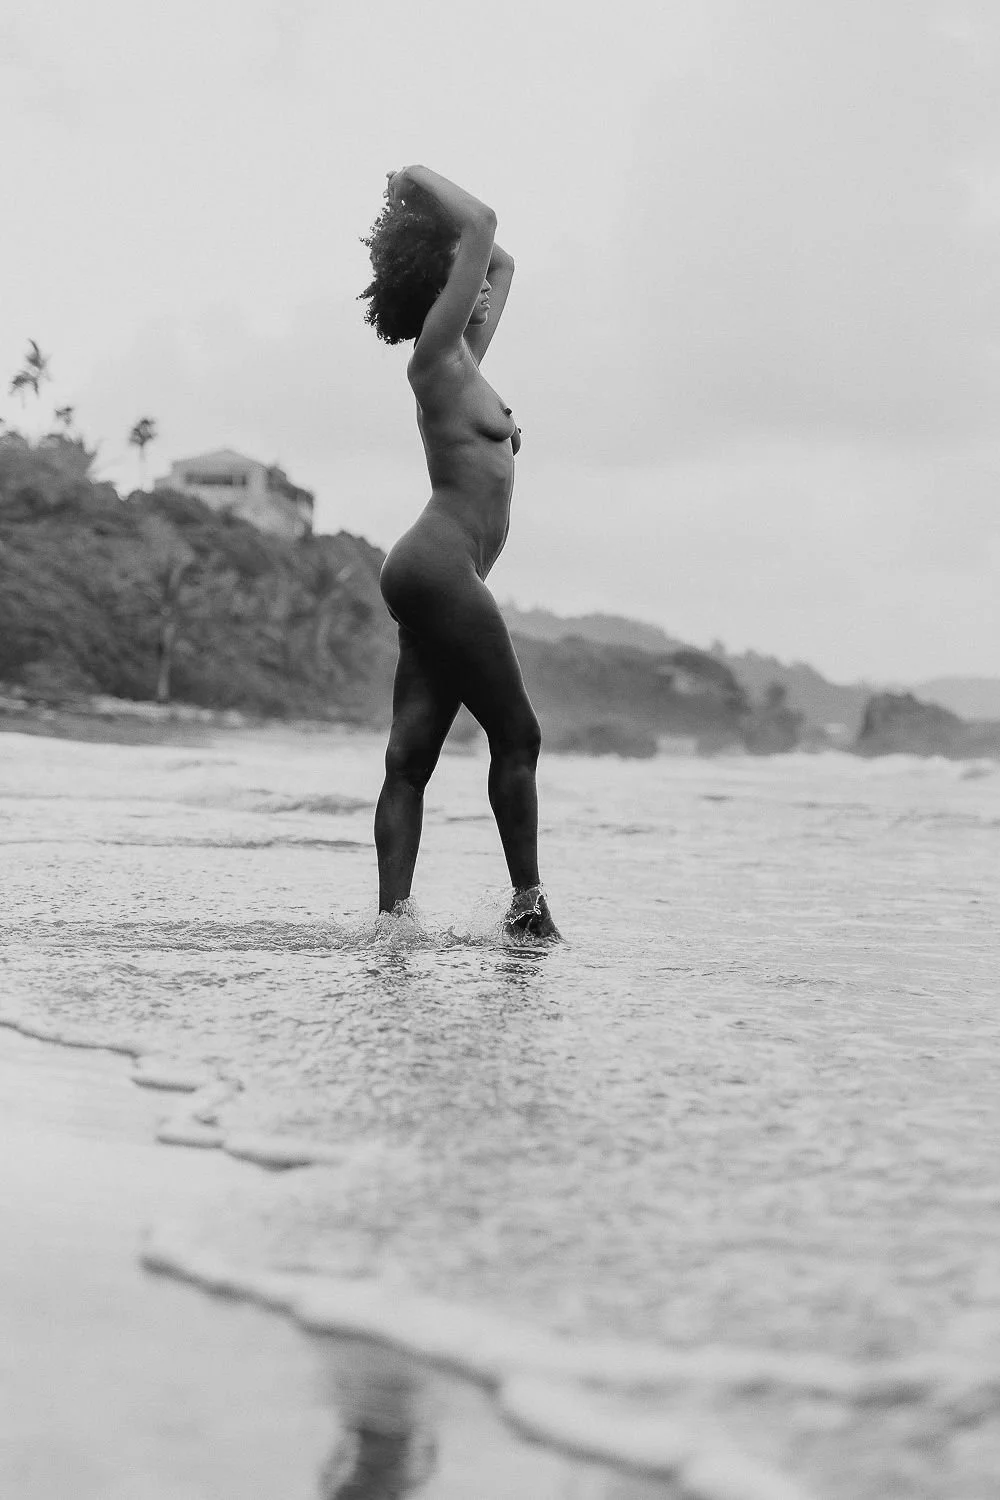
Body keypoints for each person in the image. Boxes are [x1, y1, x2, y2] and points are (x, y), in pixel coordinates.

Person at [360, 164, 559, 941]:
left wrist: (449, 240)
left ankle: (393, 928)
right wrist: (411, 179)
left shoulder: (466, 363)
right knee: (520, 735)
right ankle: (528, 909)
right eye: (460, 276)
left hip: (438, 572)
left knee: (409, 759)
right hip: (439, 566)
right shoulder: (435, 357)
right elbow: (484, 224)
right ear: (437, 289)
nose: (477, 282)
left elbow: (501, 262)